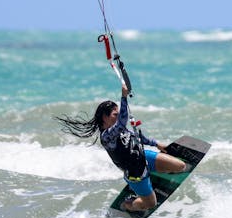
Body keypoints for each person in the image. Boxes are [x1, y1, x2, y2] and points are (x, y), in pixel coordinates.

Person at [56, 87, 186, 211]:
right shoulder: (106, 137)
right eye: (115, 114)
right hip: (136, 175)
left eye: (118, 114)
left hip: (144, 157)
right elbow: (122, 122)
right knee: (151, 204)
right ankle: (128, 204)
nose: (118, 117)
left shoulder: (119, 128)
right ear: (105, 117)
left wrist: (156, 144)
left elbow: (136, 137)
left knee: (181, 166)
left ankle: (155, 173)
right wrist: (123, 96)